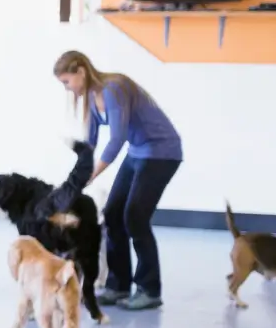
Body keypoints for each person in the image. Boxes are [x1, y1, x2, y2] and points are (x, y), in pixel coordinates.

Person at [53, 49, 183, 310]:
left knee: (135, 217)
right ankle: (117, 285)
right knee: (112, 213)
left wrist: (92, 175)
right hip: (139, 152)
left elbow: (117, 138)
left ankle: (149, 289)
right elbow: (90, 142)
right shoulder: (89, 96)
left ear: (80, 71)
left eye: (67, 82)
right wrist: (78, 175)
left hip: (162, 151)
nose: (68, 89)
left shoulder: (114, 88)